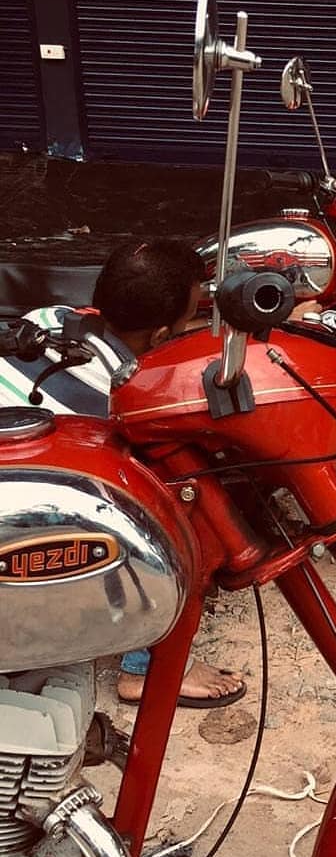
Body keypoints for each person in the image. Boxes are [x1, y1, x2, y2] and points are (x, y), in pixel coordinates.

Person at [0, 237, 246, 709]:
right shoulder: (117, 398)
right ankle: (143, 668)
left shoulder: (49, 320)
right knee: (180, 509)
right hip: (22, 509)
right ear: (159, 335)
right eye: (191, 310)